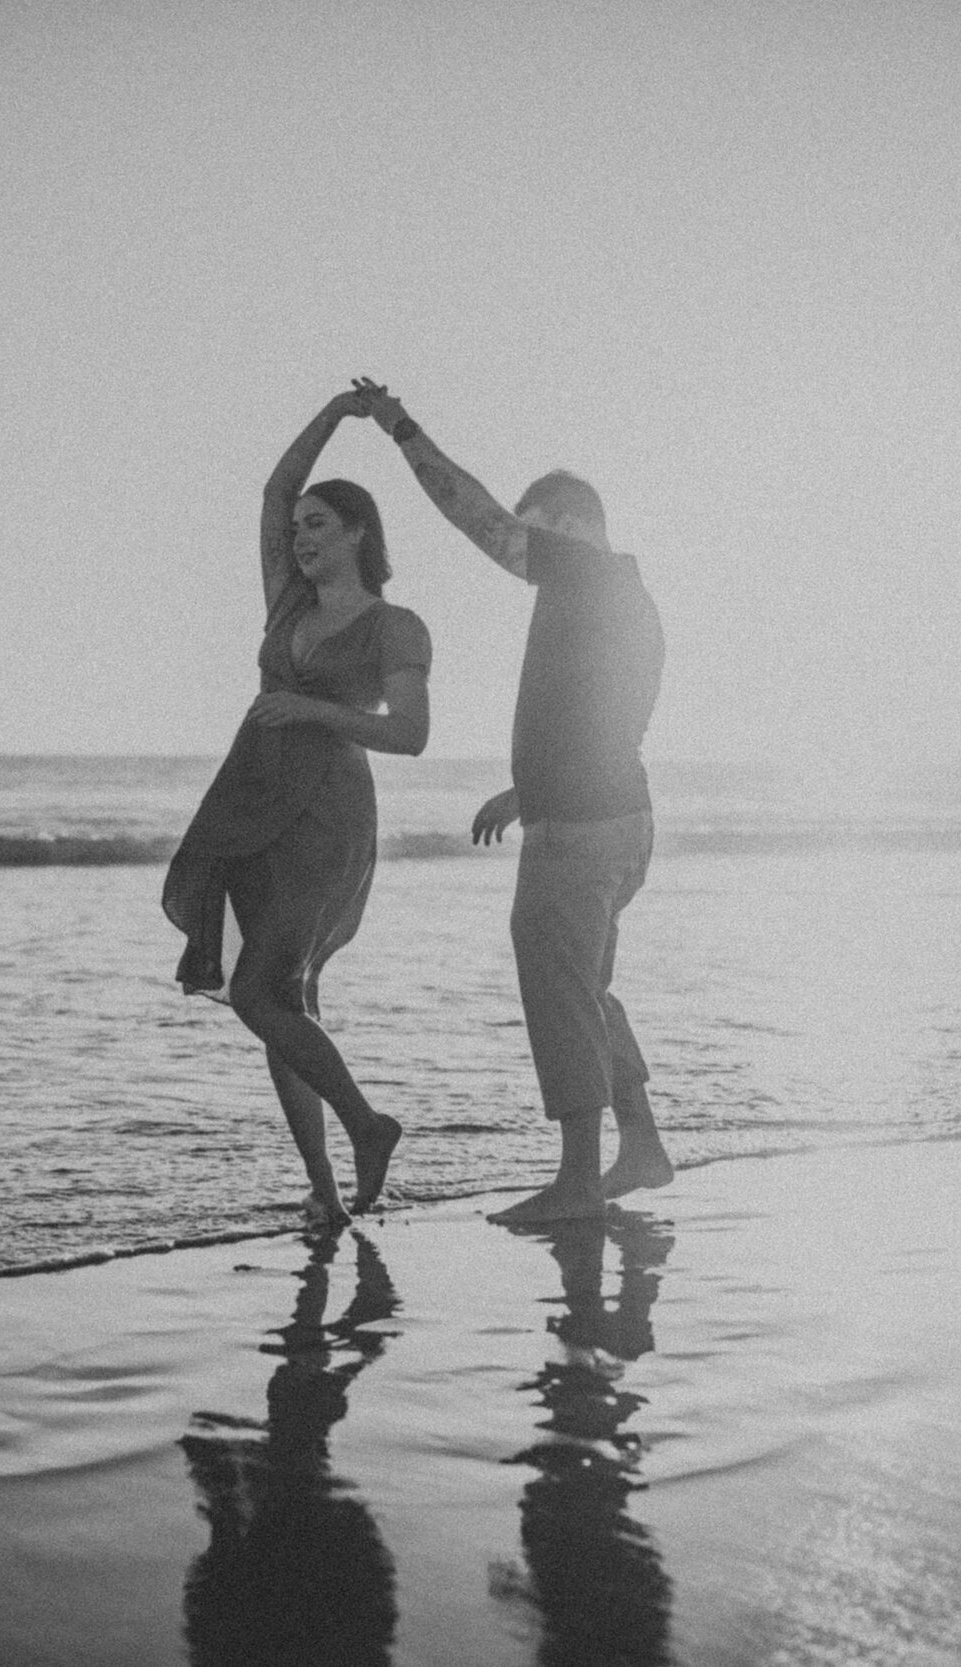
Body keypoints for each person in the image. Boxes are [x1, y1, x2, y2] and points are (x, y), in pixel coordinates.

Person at [352, 379, 672, 1224]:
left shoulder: (582, 571)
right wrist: (524, 789)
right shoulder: (632, 603)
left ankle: (575, 1183)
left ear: (568, 522)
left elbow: (475, 514)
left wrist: (400, 427)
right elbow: (602, 724)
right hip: (622, 819)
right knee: (587, 984)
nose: (526, 542)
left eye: (538, 524)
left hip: (582, 831)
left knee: (557, 979)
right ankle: (639, 1145)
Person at [163, 388, 430, 1227]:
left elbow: (412, 734)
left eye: (319, 525)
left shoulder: (396, 627)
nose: (299, 535)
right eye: (298, 530)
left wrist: (311, 709)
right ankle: (324, 1187)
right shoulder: (287, 603)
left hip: (327, 810)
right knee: (285, 998)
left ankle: (368, 1124)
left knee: (255, 993)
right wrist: (336, 413)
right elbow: (275, 490)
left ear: (359, 532)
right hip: (250, 799)